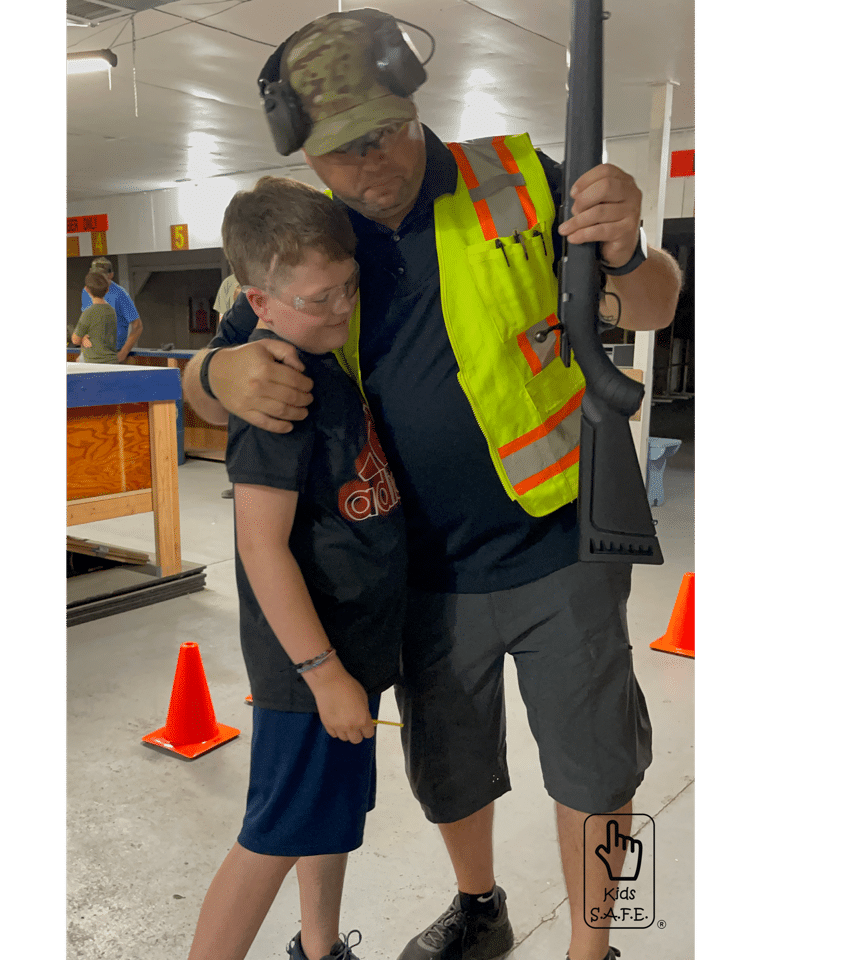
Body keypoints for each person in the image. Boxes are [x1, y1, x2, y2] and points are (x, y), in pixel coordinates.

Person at [182, 11, 683, 960]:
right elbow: (212, 371)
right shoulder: (312, 232)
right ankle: (480, 906)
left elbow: (652, 302)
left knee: (598, 765)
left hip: (559, 542)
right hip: (413, 572)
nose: (369, 167)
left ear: (418, 105)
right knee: (450, 771)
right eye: (340, 154)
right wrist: (217, 378)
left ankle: (593, 946)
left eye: (384, 133)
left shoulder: (522, 179)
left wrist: (630, 252)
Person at [186, 176, 406, 960]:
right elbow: (258, 547)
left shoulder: (325, 359)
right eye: (320, 299)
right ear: (261, 302)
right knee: (272, 837)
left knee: (327, 820)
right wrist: (323, 675)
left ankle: (319, 948)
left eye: (347, 288)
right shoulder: (275, 390)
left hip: (349, 652)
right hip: (308, 672)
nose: (342, 309)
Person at [79, 257, 144, 362]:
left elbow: (138, 326)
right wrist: (83, 337)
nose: (98, 278)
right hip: (90, 350)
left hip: (111, 352)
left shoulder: (120, 294)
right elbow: (84, 323)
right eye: (95, 275)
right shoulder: (86, 291)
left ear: (110, 275)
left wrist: (123, 352)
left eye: (101, 275)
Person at [71, 269, 118, 363]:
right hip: (112, 360)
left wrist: (82, 337)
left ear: (87, 289)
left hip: (93, 361)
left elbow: (75, 340)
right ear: (107, 290)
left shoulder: (89, 313)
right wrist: (83, 337)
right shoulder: (111, 311)